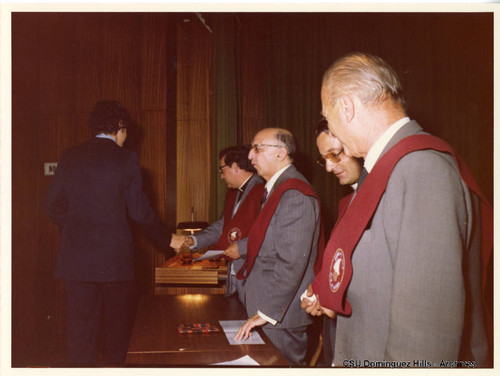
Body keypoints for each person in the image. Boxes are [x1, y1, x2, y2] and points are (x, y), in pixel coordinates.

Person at [302, 52, 492, 367]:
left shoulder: (422, 169)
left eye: (328, 114)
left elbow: (425, 331)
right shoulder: (390, 171)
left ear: (346, 107)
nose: (331, 128)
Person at [45, 100, 184, 365]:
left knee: (80, 335)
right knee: (118, 336)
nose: (126, 137)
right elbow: (139, 211)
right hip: (115, 262)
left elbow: (52, 205)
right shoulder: (125, 158)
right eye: (126, 130)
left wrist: (76, 230)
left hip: (76, 262)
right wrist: (169, 238)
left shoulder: (69, 156)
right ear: (120, 127)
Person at [232, 128, 321, 366]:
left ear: (281, 153)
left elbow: (291, 262)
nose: (250, 155)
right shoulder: (277, 189)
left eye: (257, 148)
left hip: (279, 317)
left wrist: (265, 313)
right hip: (269, 311)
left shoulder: (293, 194)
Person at [182, 145, 265, 303]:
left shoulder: (264, 189)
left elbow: (268, 233)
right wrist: (194, 240)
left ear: (235, 166)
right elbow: (224, 226)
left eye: (222, 169)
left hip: (254, 273)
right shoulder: (235, 192)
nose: (221, 176)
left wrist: (241, 248)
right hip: (234, 271)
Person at [313, 118, 362, 366]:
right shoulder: (348, 201)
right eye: (325, 159)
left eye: (335, 154)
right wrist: (318, 291)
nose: (329, 168)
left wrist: (334, 299)